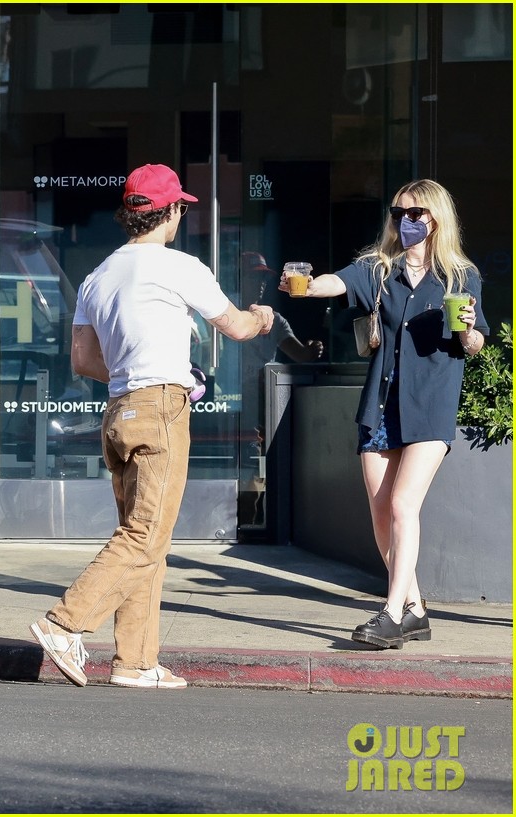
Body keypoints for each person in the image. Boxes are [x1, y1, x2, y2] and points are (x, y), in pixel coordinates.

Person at [29, 163, 274, 688]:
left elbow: (83, 360)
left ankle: (136, 662)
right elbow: (235, 327)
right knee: (145, 535)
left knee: (146, 536)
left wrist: (137, 369)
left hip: (119, 410)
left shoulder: (99, 275)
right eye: (181, 207)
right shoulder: (179, 266)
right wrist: (263, 316)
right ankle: (65, 624)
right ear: (172, 212)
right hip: (161, 408)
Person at [278, 179, 487, 649]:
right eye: (398, 214)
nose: (404, 222)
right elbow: (337, 282)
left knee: (401, 505)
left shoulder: (460, 277)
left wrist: (469, 331)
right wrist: (307, 287)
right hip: (380, 404)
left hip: (430, 403)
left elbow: (475, 344)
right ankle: (414, 607)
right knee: (379, 514)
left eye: (414, 215)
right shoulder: (379, 268)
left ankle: (392, 613)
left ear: (435, 219)